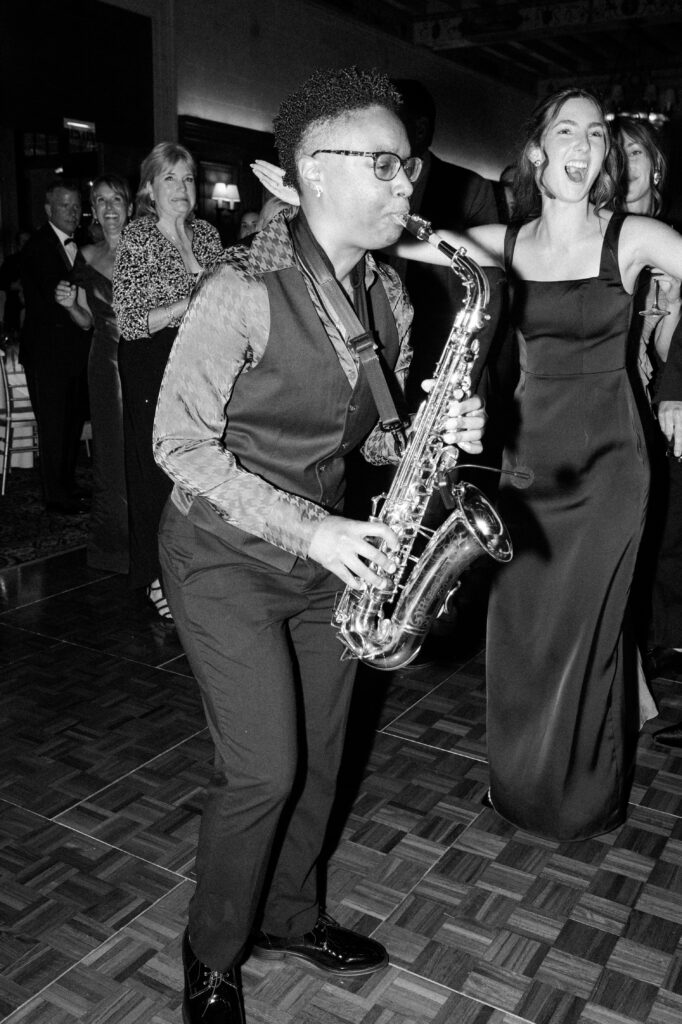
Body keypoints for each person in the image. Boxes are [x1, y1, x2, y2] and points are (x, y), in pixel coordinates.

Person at [153, 66, 486, 1024]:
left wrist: (431, 430)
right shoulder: (237, 291)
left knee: (325, 756)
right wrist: (313, 527)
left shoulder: (395, 300)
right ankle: (212, 951)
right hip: (222, 556)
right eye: (381, 162)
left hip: (328, 561)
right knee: (263, 769)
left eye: (407, 163)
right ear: (295, 177)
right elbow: (176, 444)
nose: (404, 183)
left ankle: (292, 915)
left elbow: (370, 438)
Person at [391, 88, 682, 839]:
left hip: (613, 468)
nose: (583, 143)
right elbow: (399, 243)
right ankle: (516, 786)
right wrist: (321, 195)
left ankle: (585, 800)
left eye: (596, 133)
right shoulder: (506, 243)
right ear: (539, 151)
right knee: (518, 631)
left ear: (604, 157)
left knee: (589, 635)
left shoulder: (635, 236)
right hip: (528, 465)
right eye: (566, 129)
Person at [112, 143, 223, 619]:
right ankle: (159, 578)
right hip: (150, 362)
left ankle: (197, 571)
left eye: (189, 178)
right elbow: (130, 320)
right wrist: (191, 302)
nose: (182, 188)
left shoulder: (210, 237)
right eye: (170, 180)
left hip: (201, 361)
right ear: (149, 191)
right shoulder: (137, 238)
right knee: (156, 472)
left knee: (201, 469)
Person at [613, 118, 682, 747]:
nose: (625, 161)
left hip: (663, 407)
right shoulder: (600, 229)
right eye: (618, 151)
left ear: (655, 165)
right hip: (619, 410)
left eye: (637, 151)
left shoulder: (671, 236)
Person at [55, 174, 133, 573]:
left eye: (116, 199)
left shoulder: (146, 252)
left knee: (142, 449)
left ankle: (152, 540)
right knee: (110, 452)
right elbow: (86, 321)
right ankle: (113, 546)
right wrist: (70, 305)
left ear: (129, 207)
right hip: (104, 361)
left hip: (141, 357)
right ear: (94, 211)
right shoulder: (85, 255)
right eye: (101, 201)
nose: (109, 208)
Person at [19, 180, 91, 514]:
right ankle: (55, 495)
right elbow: (55, 295)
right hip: (47, 355)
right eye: (65, 206)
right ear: (49, 209)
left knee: (71, 423)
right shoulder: (37, 247)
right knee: (53, 426)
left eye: (76, 206)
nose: (73, 212)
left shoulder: (86, 243)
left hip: (76, 353)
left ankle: (68, 486)